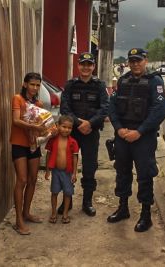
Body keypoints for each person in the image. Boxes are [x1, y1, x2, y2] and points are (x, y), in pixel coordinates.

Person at [107, 48, 165, 232]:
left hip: (143, 137)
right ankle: (123, 207)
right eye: (132, 61)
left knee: (145, 175)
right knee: (122, 172)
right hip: (124, 135)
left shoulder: (154, 81)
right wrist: (119, 128)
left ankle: (145, 214)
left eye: (138, 60)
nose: (135, 64)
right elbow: (112, 107)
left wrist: (139, 132)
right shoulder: (123, 80)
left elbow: (159, 111)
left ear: (145, 61)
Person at [59, 52, 109, 216]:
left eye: (89, 64)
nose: (86, 67)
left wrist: (90, 123)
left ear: (93, 66)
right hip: (72, 132)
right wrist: (80, 123)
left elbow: (105, 108)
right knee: (67, 166)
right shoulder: (70, 84)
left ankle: (87, 202)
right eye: (83, 64)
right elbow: (65, 109)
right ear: (78, 65)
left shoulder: (100, 85)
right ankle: (68, 201)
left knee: (89, 167)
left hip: (91, 132)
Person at [10, 72, 48, 235]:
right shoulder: (17, 98)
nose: (34, 87)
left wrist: (46, 129)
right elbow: (16, 120)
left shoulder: (38, 103)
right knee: (22, 180)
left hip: (33, 144)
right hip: (19, 143)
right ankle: (18, 220)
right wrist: (34, 127)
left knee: (33, 179)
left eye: (38, 85)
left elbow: (41, 122)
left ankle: (26, 213)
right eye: (32, 84)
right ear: (25, 84)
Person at [44, 115, 79, 224]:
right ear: (58, 126)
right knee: (54, 192)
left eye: (69, 128)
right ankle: (54, 213)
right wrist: (47, 170)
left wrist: (74, 173)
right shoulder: (52, 140)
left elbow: (75, 158)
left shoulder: (73, 142)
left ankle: (65, 214)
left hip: (68, 173)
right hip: (56, 172)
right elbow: (48, 155)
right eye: (64, 127)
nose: (66, 130)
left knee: (68, 193)